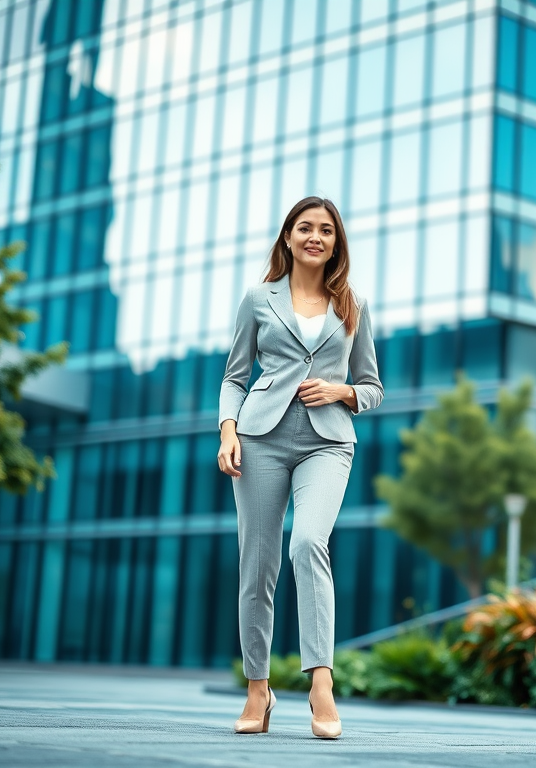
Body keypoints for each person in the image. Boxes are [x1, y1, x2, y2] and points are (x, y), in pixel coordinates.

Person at [217, 197, 384, 739]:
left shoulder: (353, 305)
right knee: (257, 566)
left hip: (328, 442)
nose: (316, 237)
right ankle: (258, 691)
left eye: (327, 230)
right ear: (288, 237)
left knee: (308, 542)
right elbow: (234, 376)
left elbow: (374, 388)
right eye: (305, 227)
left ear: (337, 243)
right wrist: (227, 432)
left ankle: (320, 684)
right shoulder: (257, 298)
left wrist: (341, 391)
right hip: (259, 437)